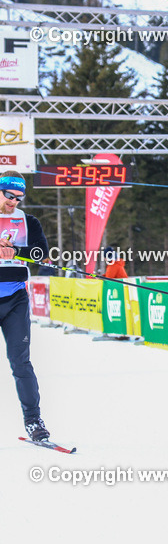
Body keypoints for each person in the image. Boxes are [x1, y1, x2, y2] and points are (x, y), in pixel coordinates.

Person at [0, 171, 51, 441]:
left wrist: (15, 251)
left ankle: (33, 421)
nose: (14, 202)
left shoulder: (27, 221)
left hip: (15, 299)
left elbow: (40, 253)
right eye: (9, 195)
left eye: (19, 198)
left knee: (21, 362)